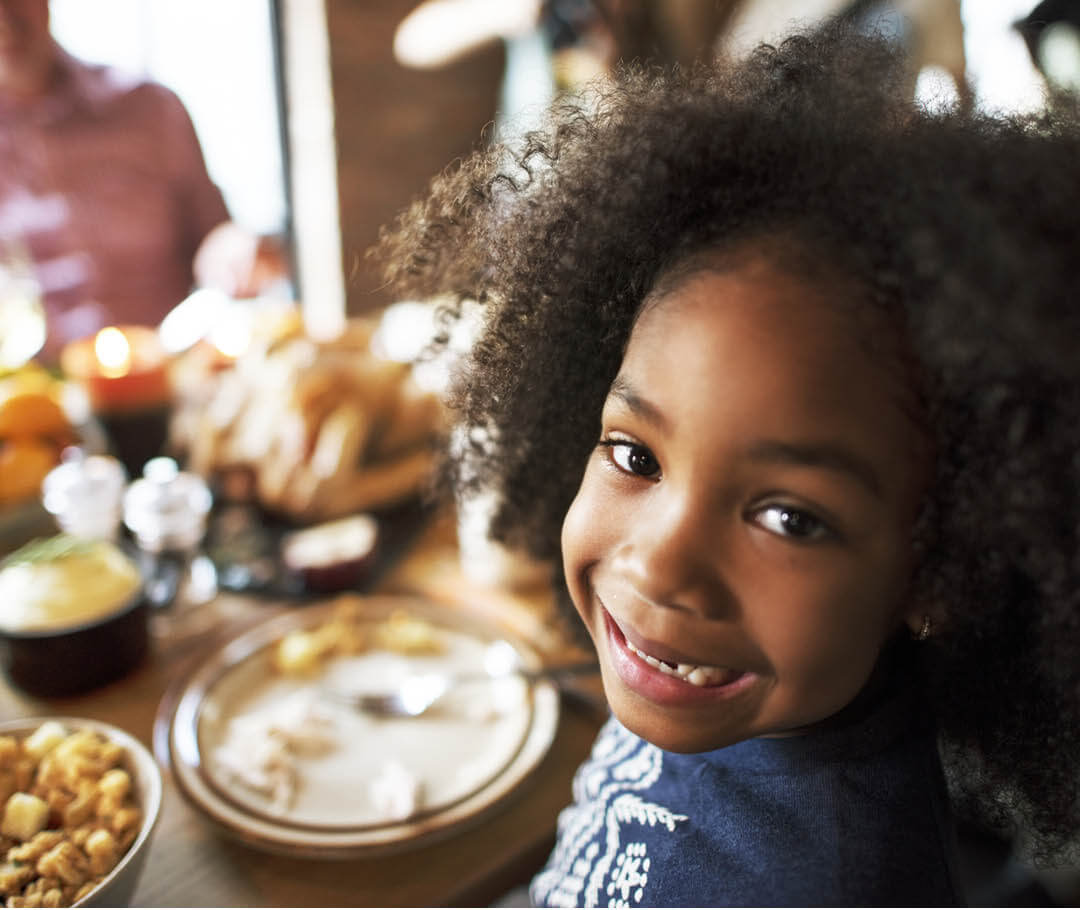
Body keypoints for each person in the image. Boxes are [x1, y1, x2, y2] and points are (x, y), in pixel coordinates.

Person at [373, 20, 1080, 907]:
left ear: (938, 571)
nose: (660, 562)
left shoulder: (817, 882)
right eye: (635, 455)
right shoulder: (716, 690)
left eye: (789, 517)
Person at [0, 0, 286, 360]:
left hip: (172, 375)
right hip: (30, 399)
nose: (5, 19)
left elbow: (215, 236)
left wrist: (235, 252)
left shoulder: (149, 107)